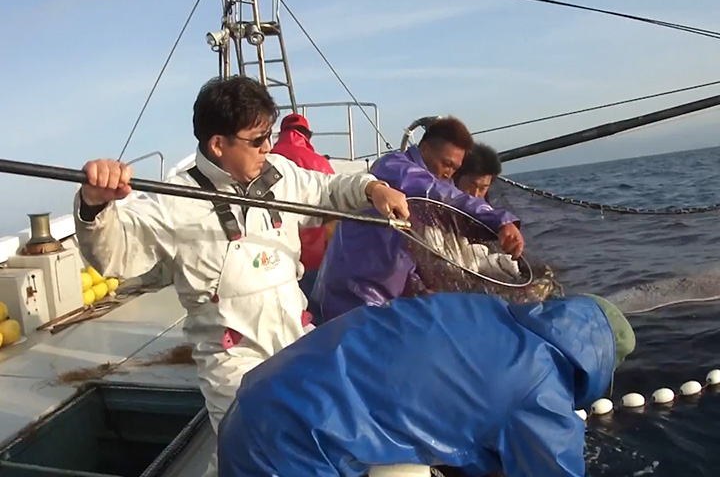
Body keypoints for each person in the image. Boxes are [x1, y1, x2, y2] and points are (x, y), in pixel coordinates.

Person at [73, 75, 409, 477]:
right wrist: (94, 206)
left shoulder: (281, 174)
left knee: (331, 435)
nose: (268, 147)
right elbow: (115, 255)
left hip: (295, 339)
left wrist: (372, 188)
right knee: (259, 455)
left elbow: (330, 190)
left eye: (269, 135)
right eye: (257, 139)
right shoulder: (173, 201)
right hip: (234, 364)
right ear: (218, 144)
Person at [218, 293, 635, 477]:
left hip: (263, 394)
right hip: (284, 443)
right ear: (598, 364)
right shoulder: (542, 394)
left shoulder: (484, 311)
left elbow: (450, 406)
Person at [312, 117, 525, 323]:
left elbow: (414, 248)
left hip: (386, 295)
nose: (449, 172)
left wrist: (421, 289)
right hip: (353, 293)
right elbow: (438, 194)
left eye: (455, 169)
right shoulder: (393, 167)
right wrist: (498, 220)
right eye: (446, 163)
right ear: (423, 150)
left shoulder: (439, 181)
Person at [271, 113, 335, 306]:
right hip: (314, 258)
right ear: (307, 135)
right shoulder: (319, 163)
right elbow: (333, 210)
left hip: (275, 258)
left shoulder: (266, 160)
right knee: (316, 316)